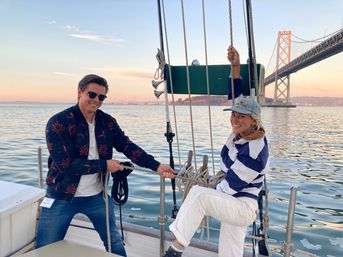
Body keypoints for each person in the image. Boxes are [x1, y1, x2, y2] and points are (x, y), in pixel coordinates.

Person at [35, 74, 175, 257]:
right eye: (92, 95)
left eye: (102, 97)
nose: (96, 100)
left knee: (114, 241)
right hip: (61, 196)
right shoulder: (58, 122)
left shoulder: (107, 122)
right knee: (46, 247)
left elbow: (127, 146)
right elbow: (66, 165)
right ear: (79, 92)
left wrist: (156, 166)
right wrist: (105, 165)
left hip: (96, 197)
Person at [162, 47, 269, 257]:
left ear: (254, 121)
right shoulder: (243, 133)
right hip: (236, 201)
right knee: (230, 252)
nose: (235, 119)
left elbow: (230, 187)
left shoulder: (255, 150)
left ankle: (176, 248)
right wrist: (235, 66)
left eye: (242, 117)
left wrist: (208, 190)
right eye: (234, 115)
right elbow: (236, 95)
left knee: (199, 195)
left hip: (241, 205)